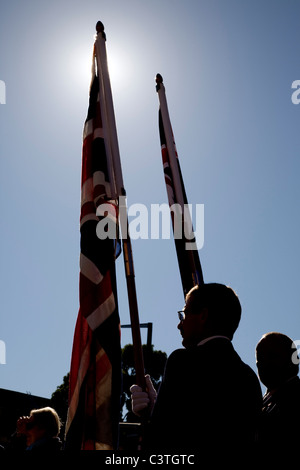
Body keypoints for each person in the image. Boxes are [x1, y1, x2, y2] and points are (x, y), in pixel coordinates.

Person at [131, 283, 262, 453]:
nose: (180, 325)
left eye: (184, 315)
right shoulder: (250, 378)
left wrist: (148, 415)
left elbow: (161, 438)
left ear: (203, 316)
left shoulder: (183, 361)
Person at [255, 332, 300, 448]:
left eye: (272, 356)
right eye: (259, 359)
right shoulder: (261, 403)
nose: (264, 364)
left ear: (294, 359)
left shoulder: (294, 400)